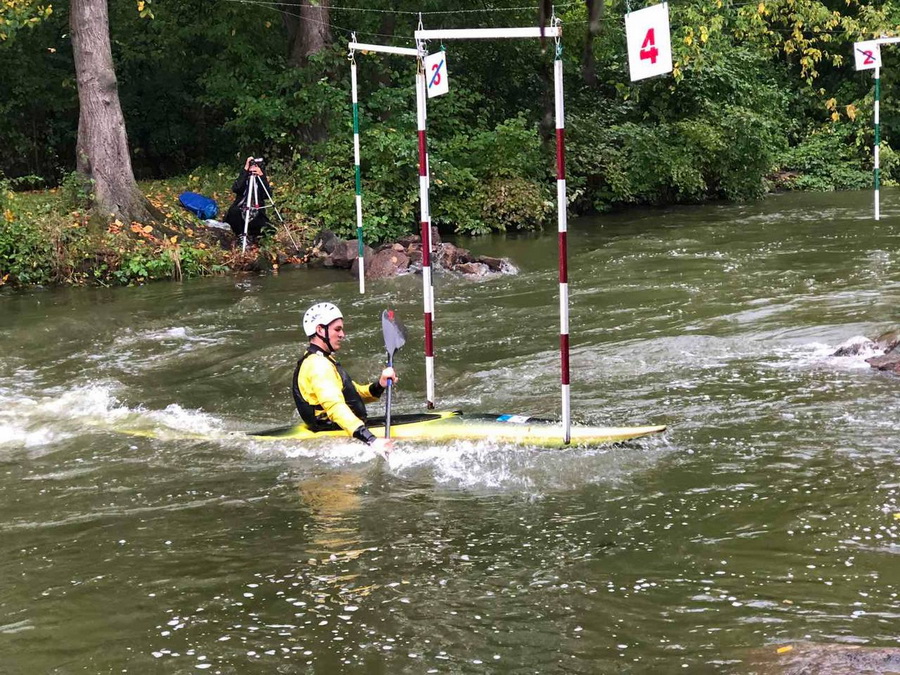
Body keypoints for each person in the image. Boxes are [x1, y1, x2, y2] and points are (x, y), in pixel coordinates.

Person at [293, 302, 397, 452]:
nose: (342, 334)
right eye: (337, 329)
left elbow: (352, 395)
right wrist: (371, 440)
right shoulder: (318, 366)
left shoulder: (322, 360)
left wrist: (380, 385)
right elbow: (336, 408)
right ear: (320, 330)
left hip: (340, 425)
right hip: (331, 431)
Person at [224, 156, 273, 243]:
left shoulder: (260, 178)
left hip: (256, 213)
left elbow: (267, 195)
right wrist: (246, 170)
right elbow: (236, 188)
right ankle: (241, 236)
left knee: (268, 228)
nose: (253, 168)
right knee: (233, 212)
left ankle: (254, 236)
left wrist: (261, 176)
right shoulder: (245, 176)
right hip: (240, 211)